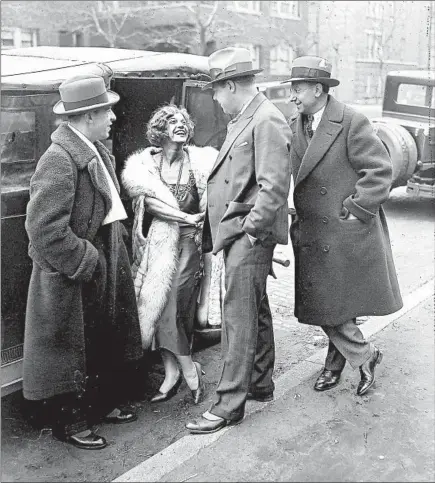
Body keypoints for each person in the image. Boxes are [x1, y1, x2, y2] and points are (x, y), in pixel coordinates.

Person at [23, 74, 143, 450]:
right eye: (107, 110)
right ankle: (70, 423)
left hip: (100, 259)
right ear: (88, 115)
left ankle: (100, 406)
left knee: (98, 339)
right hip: (69, 272)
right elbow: (42, 228)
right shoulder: (59, 160)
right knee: (67, 349)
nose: (113, 117)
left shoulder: (95, 149)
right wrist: (87, 260)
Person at [185, 47, 292, 434]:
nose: (215, 97)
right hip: (239, 232)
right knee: (256, 309)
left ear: (231, 85)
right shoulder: (248, 117)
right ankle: (260, 384)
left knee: (237, 319)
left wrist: (249, 231)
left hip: (248, 234)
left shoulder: (265, 120)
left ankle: (229, 404)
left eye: (217, 89)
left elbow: (274, 186)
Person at [283, 56, 403, 396]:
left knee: (330, 300)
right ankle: (346, 361)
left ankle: (362, 357)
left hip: (342, 229)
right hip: (311, 229)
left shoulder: (351, 120)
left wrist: (355, 208)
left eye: (298, 89)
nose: (293, 96)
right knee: (329, 301)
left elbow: (380, 170)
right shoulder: (296, 123)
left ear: (318, 90)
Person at [122, 104, 220, 405]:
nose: (181, 125)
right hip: (159, 244)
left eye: (184, 122)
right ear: (160, 130)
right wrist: (185, 218)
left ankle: (188, 370)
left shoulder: (201, 162)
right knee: (159, 305)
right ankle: (174, 372)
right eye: (172, 121)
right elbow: (151, 204)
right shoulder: (146, 166)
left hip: (191, 245)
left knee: (172, 308)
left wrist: (191, 223)